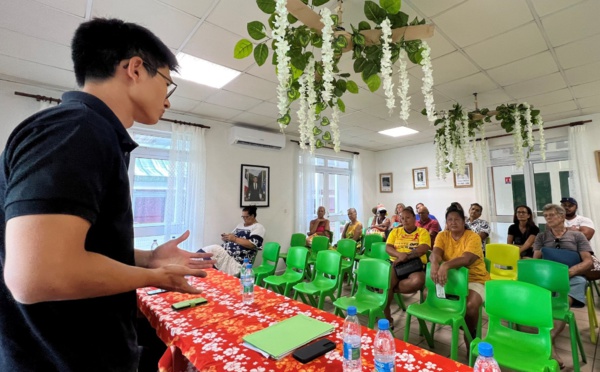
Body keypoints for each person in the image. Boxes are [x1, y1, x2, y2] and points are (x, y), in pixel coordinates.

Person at [0, 18, 216, 372]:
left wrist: (147, 259)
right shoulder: (76, 129)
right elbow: (37, 275)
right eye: (167, 84)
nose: (168, 101)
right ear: (134, 68)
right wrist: (155, 278)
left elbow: (70, 251)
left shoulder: (83, 129)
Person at [533, 203, 593, 368]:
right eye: (546, 216)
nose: (548, 218)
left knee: (564, 302)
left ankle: (547, 339)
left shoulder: (577, 236)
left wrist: (568, 273)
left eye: (552, 215)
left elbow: (588, 261)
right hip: (547, 278)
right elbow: (536, 260)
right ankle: (547, 341)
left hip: (571, 277)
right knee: (533, 294)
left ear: (562, 216)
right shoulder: (541, 237)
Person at [430, 205, 489, 345]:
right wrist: (434, 263)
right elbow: (436, 253)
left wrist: (445, 265)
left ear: (464, 222)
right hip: (452, 278)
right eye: (449, 219)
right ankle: (459, 321)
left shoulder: (473, 237)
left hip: (475, 279)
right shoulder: (442, 235)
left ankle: (470, 335)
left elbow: (467, 259)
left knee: (469, 306)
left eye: (457, 219)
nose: (453, 222)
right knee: (429, 295)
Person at [384, 207, 430, 326]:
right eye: (402, 218)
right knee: (388, 280)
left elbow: (423, 248)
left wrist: (406, 256)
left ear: (415, 218)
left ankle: (388, 290)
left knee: (418, 281)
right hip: (395, 264)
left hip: (414, 265)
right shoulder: (395, 231)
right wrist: (399, 255)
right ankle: (386, 313)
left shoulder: (422, 232)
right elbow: (388, 247)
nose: (405, 220)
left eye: (408, 217)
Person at [201, 206, 265, 276]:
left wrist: (234, 239)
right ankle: (202, 275)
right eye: (243, 217)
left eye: (246, 217)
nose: (244, 219)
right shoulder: (239, 225)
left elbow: (252, 245)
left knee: (212, 249)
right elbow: (232, 238)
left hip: (238, 260)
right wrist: (227, 238)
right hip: (226, 252)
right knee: (208, 254)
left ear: (253, 215)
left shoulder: (258, 227)